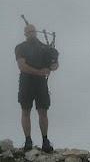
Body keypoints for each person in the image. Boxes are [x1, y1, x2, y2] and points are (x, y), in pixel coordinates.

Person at [15, 24, 58, 153]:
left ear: (36, 32)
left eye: (32, 31)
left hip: (40, 84)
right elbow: (22, 66)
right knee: (26, 110)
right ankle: (28, 140)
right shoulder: (21, 47)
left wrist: (52, 65)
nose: (31, 33)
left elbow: (55, 65)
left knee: (43, 111)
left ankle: (45, 141)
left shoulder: (45, 48)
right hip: (27, 82)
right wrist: (41, 72)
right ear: (25, 34)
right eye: (28, 32)